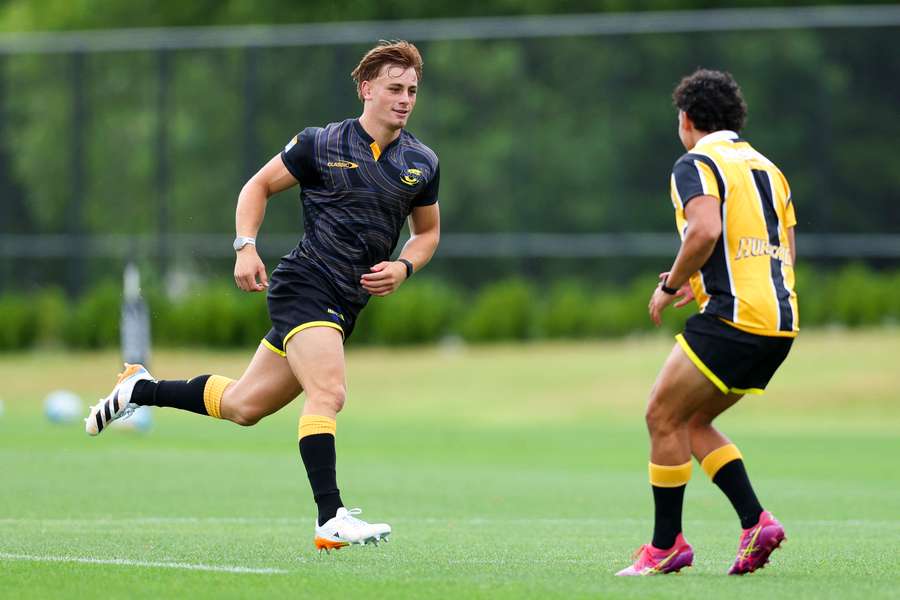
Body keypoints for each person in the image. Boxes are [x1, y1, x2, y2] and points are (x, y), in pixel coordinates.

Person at [85, 40, 441, 553]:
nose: (405, 99)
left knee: (243, 406)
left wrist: (406, 266)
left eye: (411, 90)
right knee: (330, 392)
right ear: (366, 89)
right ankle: (330, 517)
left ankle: (138, 390)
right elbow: (257, 187)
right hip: (305, 284)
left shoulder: (422, 161)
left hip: (344, 304)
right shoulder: (320, 143)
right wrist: (244, 247)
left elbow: (427, 233)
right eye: (393, 88)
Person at [616, 69, 798, 576]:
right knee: (691, 422)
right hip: (779, 321)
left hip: (734, 319)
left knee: (660, 415)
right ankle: (755, 522)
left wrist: (673, 284)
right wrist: (701, 282)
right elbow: (779, 254)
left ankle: (665, 546)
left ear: (688, 119)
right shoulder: (769, 168)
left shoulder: (696, 162)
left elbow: (705, 231)